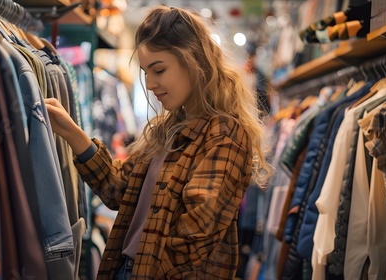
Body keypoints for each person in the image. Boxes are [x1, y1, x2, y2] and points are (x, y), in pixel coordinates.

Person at [45, 5, 272, 279]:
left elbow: (196, 232)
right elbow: (119, 191)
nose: (150, 83)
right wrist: (72, 133)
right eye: (146, 72)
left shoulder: (224, 134)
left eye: (159, 70)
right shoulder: (168, 129)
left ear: (193, 61)